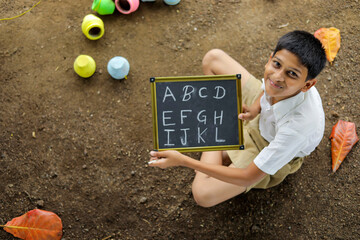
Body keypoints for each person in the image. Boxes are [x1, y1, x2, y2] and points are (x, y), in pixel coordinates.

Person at [148, 30, 327, 207]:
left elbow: (249, 176)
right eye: (277, 64)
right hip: (260, 116)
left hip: (267, 144)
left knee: (203, 194)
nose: (278, 76)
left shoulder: (297, 128)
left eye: (292, 74)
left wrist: (183, 161)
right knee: (214, 58)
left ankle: (217, 128)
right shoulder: (279, 82)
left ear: (307, 85)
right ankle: (221, 129)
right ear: (270, 58)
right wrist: (256, 107)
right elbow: (268, 88)